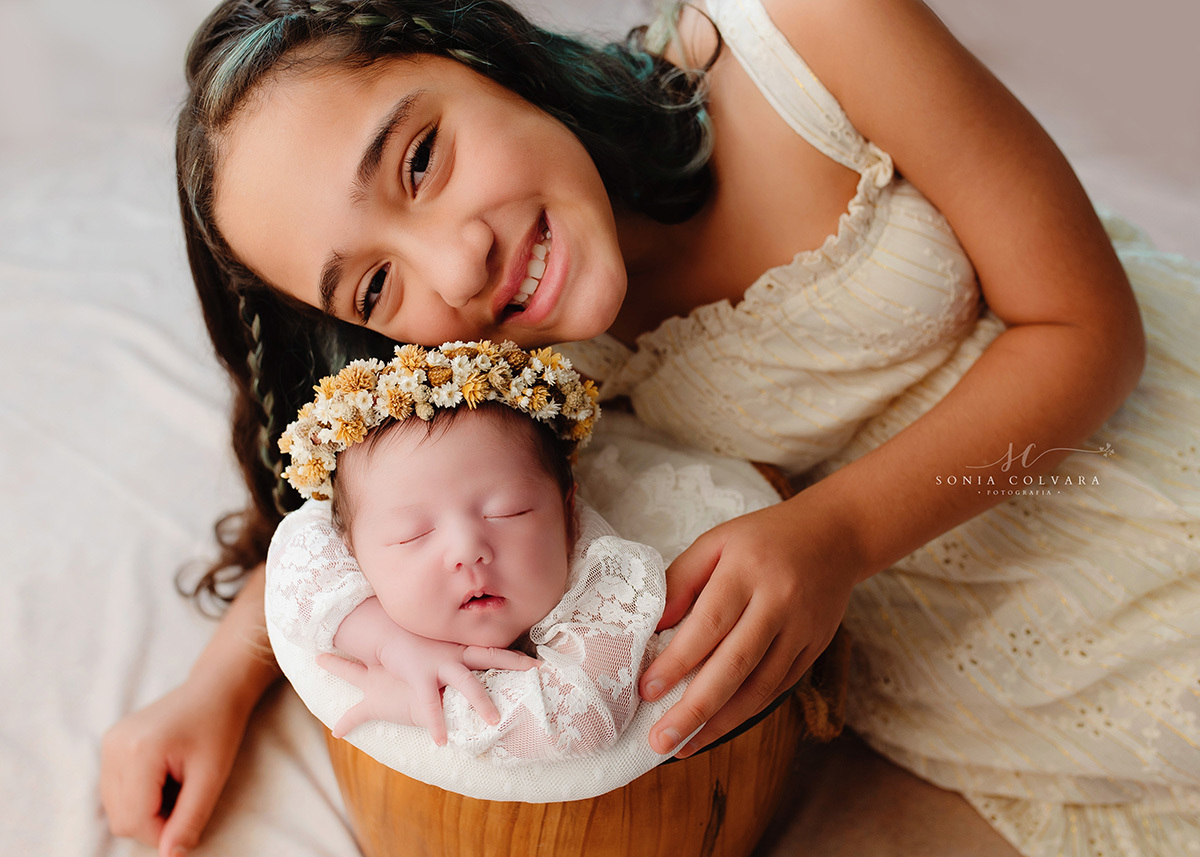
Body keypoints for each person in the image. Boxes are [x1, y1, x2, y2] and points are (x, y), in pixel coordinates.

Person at [100, 0, 1200, 855]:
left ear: (479, 50)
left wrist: (837, 535)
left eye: (420, 158)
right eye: (376, 285)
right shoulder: (514, 359)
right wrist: (208, 693)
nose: (456, 262)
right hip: (1028, 684)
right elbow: (365, 502)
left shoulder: (808, 36)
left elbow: (1088, 331)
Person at [264, 340, 670, 760]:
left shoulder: (608, 581)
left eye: (507, 513)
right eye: (412, 534)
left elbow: (581, 719)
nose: (467, 550)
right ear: (353, 553)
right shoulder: (337, 546)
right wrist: (390, 644)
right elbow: (297, 562)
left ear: (568, 516)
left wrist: (420, 703)